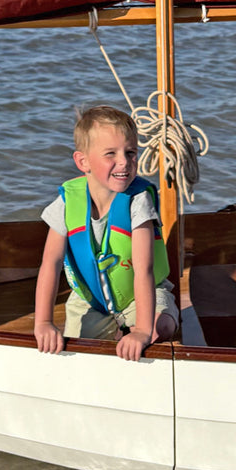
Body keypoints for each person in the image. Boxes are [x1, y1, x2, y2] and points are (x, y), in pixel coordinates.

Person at [34, 105, 179, 361]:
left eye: (131, 152)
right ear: (83, 162)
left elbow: (144, 270)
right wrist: (44, 322)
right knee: (77, 351)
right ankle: (119, 333)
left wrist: (143, 332)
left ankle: (131, 332)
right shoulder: (67, 204)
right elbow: (50, 263)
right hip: (91, 301)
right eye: (111, 154)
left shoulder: (137, 202)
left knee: (160, 328)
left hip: (140, 297)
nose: (124, 161)